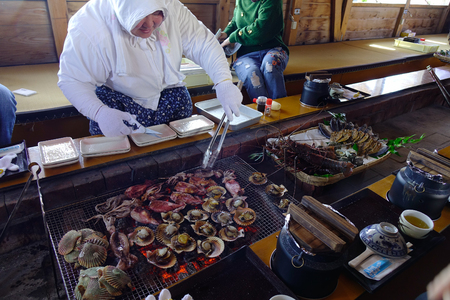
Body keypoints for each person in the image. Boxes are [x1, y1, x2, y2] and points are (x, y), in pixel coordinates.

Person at [58, 0, 242, 137]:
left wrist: (223, 81)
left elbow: (203, 44)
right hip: (119, 106)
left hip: (171, 98)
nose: (149, 24)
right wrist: (99, 112)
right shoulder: (89, 24)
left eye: (156, 13)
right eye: (139, 17)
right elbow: (73, 79)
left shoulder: (171, 6)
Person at [218, 0, 289, 101]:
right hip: (246, 53)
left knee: (270, 65)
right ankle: (262, 110)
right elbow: (236, 21)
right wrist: (226, 33)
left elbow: (261, 29)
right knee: (252, 74)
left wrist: (232, 38)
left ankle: (281, 106)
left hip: (273, 47)